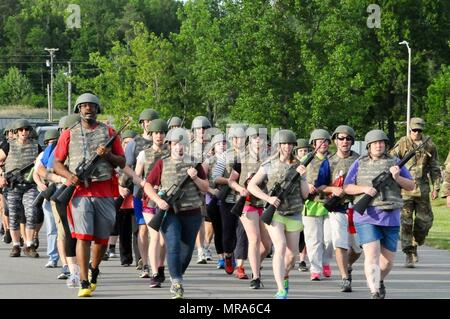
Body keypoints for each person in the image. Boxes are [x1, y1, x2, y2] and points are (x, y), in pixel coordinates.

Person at [53, 93, 125, 297]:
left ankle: (94, 269)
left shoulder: (109, 132)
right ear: (78, 109)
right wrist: (69, 175)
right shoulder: (69, 133)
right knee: (83, 237)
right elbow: (56, 163)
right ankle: (84, 282)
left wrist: (108, 155)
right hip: (79, 192)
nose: (88, 109)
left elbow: (122, 162)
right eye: (84, 106)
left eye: (91, 106)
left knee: (102, 239)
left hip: (104, 190)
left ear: (97, 109)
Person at [344, 129, 414, 299]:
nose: (378, 145)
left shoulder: (396, 162)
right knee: (372, 254)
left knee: (387, 262)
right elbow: (347, 187)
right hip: (366, 216)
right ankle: (374, 291)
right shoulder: (359, 163)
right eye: (375, 143)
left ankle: (379, 280)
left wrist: (397, 177)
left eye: (381, 142)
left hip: (390, 217)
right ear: (369, 146)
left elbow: (411, 186)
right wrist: (364, 189)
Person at [143, 127, 209, 299]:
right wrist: (158, 201)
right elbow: (148, 185)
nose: (179, 147)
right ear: (170, 145)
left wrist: (195, 178)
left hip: (192, 212)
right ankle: (177, 282)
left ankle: (176, 274)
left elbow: (206, 188)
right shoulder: (162, 163)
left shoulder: (195, 163)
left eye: (182, 144)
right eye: (175, 144)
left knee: (186, 253)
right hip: (170, 212)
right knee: (173, 245)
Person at [248, 129, 309, 299]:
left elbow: (305, 195)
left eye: (290, 144)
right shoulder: (269, 163)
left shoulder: (299, 165)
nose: (287, 147)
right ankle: (280, 289)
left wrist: (303, 178)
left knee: (292, 256)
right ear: (278, 145)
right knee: (280, 247)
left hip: (294, 212)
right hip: (275, 213)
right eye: (284, 144)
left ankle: (285, 276)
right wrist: (268, 198)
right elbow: (252, 186)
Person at [390, 117, 442, 268]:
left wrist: (436, 187)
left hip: (422, 189)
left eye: (420, 130)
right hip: (404, 189)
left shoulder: (430, 145)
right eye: (414, 130)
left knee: (425, 221)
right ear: (409, 129)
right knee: (406, 222)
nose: (417, 133)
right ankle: (409, 253)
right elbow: (391, 160)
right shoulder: (402, 143)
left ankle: (417, 240)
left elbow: (435, 167)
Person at [228, 125, 271, 289]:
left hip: (266, 203)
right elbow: (232, 180)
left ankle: (254, 263)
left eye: (261, 137)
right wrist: (240, 188)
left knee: (267, 245)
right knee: (254, 239)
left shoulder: (271, 158)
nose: (258, 140)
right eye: (254, 137)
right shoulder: (241, 157)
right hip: (247, 203)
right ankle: (256, 276)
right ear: (249, 140)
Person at [323, 125, 361, 292]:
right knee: (340, 243)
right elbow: (319, 186)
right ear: (335, 141)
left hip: (357, 208)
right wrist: (332, 189)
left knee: (359, 248)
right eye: (341, 138)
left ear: (352, 141)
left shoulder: (361, 160)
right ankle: (345, 278)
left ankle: (348, 266)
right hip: (337, 208)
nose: (344, 141)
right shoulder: (328, 161)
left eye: (348, 138)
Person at [0, 119, 42, 258]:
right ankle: (16, 245)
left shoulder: (36, 146)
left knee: (31, 213)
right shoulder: (8, 145)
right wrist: (1, 176)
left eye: (26, 129)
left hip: (30, 185)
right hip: (12, 186)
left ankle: (29, 245)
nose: (24, 132)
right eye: (21, 130)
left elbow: (44, 162)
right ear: (16, 132)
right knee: (14, 215)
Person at [302, 129, 333, 281]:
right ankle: (315, 268)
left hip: (330, 203)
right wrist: (306, 185)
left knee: (330, 238)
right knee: (314, 239)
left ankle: (326, 262)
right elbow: (296, 178)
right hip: (312, 203)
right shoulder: (305, 160)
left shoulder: (334, 159)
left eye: (326, 140)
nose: (323, 143)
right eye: (319, 141)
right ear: (313, 143)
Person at [293, 138, 310, 272]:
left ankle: (302, 260)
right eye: (301, 150)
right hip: (294, 203)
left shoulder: (311, 164)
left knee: (305, 234)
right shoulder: (293, 164)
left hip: (309, 202)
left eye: (305, 150)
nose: (303, 152)